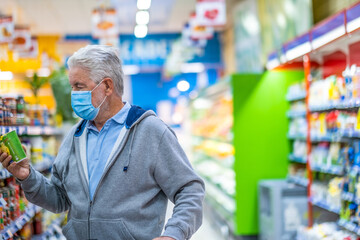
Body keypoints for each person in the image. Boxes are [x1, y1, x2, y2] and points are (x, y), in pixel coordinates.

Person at [0, 45, 205, 240]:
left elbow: (189, 189)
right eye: (72, 87)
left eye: (79, 86)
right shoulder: (75, 136)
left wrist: (174, 233)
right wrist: (28, 177)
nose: (74, 94)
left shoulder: (150, 132)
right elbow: (59, 199)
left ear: (107, 86)